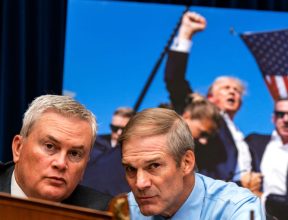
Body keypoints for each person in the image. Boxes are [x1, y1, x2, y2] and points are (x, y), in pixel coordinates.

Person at [164, 11, 261, 190]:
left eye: (237, 90)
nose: (232, 92)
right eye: (226, 88)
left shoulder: (241, 136)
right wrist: (185, 34)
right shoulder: (200, 115)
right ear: (210, 97)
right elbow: (174, 80)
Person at [119, 108, 265, 219]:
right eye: (130, 169)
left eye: (154, 166)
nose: (140, 183)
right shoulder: (124, 210)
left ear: (186, 163)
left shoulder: (237, 207)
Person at [0, 95, 112, 211]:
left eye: (74, 154)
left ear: (85, 166)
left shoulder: (104, 213)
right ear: (18, 148)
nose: (61, 164)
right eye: (50, 146)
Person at [81, 107, 134, 196]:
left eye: (124, 129)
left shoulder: (135, 154)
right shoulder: (92, 143)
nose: (119, 132)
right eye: (114, 128)